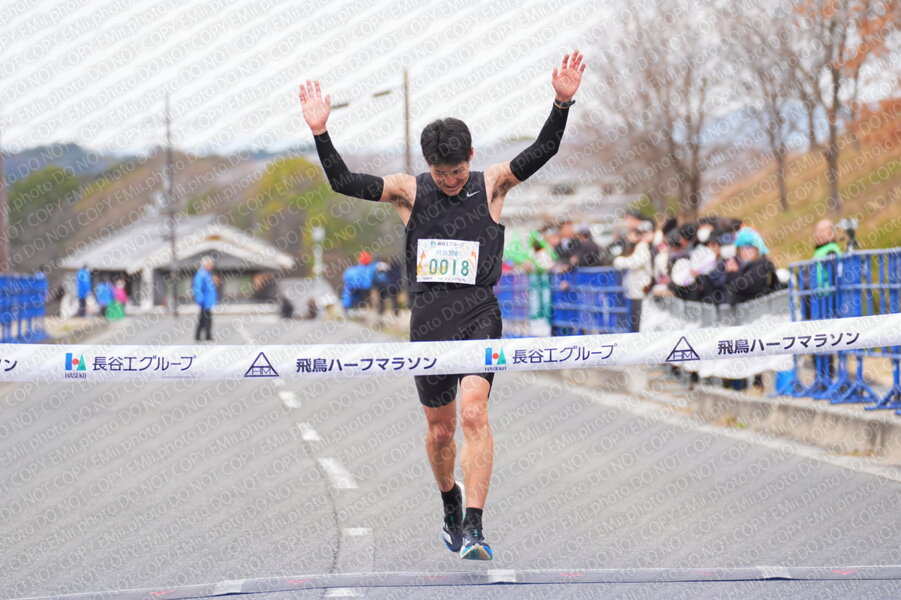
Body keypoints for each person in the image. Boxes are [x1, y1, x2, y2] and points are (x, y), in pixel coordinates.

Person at [299, 50, 585, 561]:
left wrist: (561, 102)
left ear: (470, 156)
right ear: (427, 165)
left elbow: (543, 149)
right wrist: (321, 132)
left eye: (456, 171)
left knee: (474, 413)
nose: (450, 181)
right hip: (430, 317)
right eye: (441, 172)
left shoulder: (491, 183)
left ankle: (474, 525)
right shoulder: (408, 191)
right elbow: (344, 182)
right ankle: (450, 499)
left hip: (479, 312)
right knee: (440, 430)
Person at [613, 218, 654, 332]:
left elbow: (633, 263)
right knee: (634, 324)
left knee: (637, 326)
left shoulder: (643, 247)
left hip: (640, 292)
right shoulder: (639, 246)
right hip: (635, 293)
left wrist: (618, 261)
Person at [193, 256, 217, 341]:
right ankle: (206, 336)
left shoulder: (207, 274)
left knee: (203, 319)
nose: (212, 266)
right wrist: (200, 299)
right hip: (204, 301)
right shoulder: (202, 274)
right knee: (206, 319)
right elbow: (198, 288)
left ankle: (200, 336)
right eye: (210, 264)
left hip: (207, 301)